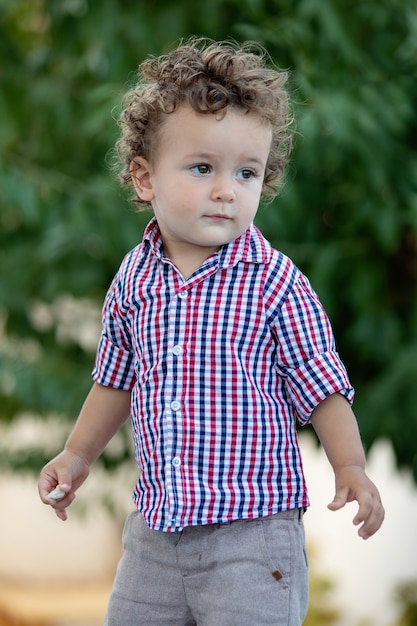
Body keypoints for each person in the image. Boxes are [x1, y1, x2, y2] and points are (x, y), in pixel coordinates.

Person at [38, 38, 384, 625]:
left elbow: (320, 382)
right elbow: (114, 379)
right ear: (144, 178)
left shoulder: (274, 281)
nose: (227, 189)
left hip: (250, 538)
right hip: (156, 532)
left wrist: (348, 465)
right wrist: (76, 455)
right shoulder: (134, 278)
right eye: (203, 168)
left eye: (247, 173)